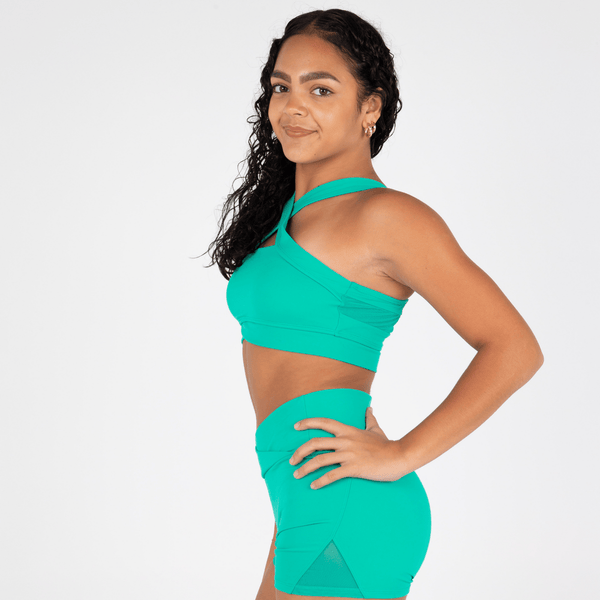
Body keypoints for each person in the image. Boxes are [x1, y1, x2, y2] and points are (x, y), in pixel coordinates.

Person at [204, 8, 544, 600]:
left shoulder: (388, 217)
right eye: (281, 87)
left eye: (321, 89)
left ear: (370, 108)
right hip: (302, 495)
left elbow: (515, 348)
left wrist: (402, 454)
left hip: (345, 503)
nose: (293, 106)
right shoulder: (285, 217)